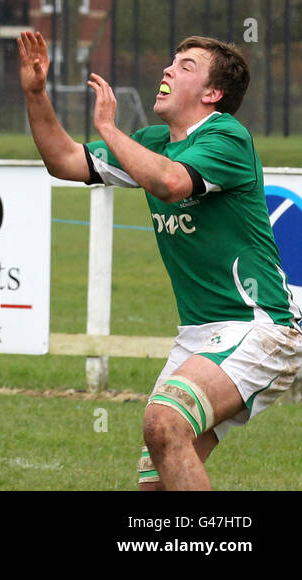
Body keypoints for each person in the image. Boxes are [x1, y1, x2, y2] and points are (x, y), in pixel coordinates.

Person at [16, 30, 302, 490]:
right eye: (172, 60)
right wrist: (35, 94)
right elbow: (64, 159)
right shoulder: (154, 141)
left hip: (257, 326)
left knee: (164, 422)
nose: (168, 69)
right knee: (156, 482)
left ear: (213, 94)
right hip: (199, 335)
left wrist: (109, 128)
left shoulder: (227, 137)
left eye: (186, 65)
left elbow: (170, 183)